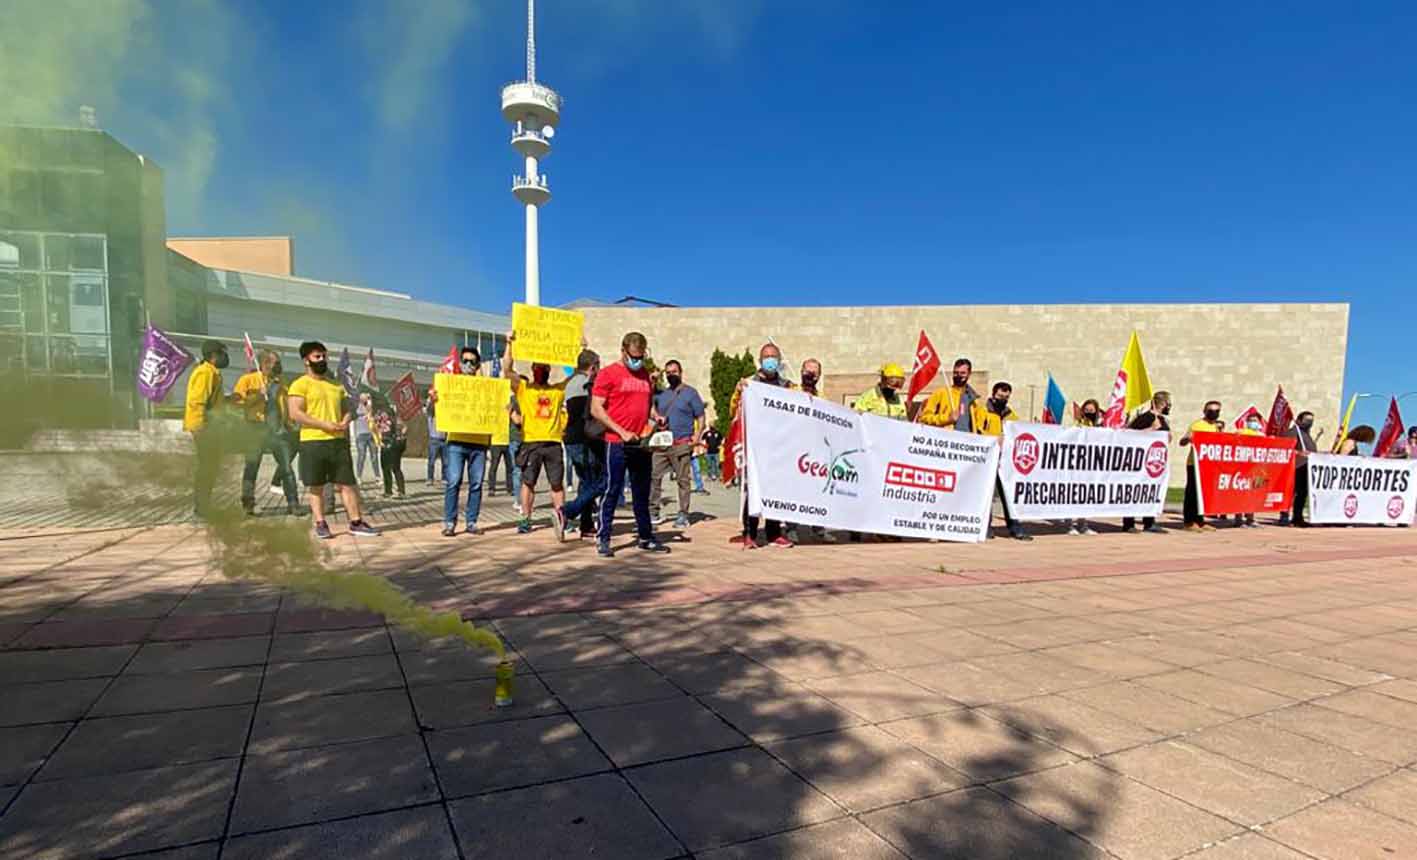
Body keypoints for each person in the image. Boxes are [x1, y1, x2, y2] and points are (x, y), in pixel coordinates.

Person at [286, 341, 379, 539]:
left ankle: (356, 522)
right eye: (317, 357)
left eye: (324, 356)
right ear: (306, 361)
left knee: (348, 483)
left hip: (338, 442)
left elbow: (348, 409)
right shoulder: (299, 384)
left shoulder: (336, 385)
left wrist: (345, 420)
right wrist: (324, 425)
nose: (322, 360)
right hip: (313, 442)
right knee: (316, 485)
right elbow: (295, 413)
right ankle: (320, 523)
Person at [589, 332, 670, 556]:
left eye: (641, 356)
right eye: (633, 356)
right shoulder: (607, 374)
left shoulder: (645, 375)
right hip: (616, 443)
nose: (637, 360)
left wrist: (656, 416)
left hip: (640, 443)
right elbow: (596, 409)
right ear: (623, 351)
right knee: (612, 490)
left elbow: (645, 404)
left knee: (642, 492)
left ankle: (646, 536)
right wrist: (621, 431)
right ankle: (603, 538)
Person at [503, 333, 570, 538]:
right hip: (531, 443)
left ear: (549, 371)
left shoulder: (558, 391)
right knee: (528, 482)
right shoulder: (524, 389)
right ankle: (525, 518)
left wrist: (578, 348)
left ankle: (561, 517)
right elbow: (507, 370)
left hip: (553, 444)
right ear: (532, 370)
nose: (540, 371)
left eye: (544, 368)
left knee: (557, 484)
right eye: (537, 368)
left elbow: (576, 374)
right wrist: (509, 343)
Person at [730, 342, 796, 548]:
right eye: (766, 356)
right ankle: (749, 533)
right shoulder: (749, 384)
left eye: (773, 356)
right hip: (755, 446)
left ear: (779, 360)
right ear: (760, 361)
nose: (770, 360)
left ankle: (774, 532)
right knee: (752, 489)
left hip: (779, 446)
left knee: (776, 489)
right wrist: (739, 393)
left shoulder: (789, 386)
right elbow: (734, 410)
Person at [431, 346, 490, 537]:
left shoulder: (486, 387)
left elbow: (495, 407)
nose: (468, 365)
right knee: (453, 482)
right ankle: (450, 522)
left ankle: (471, 522)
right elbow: (433, 410)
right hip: (456, 441)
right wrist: (434, 400)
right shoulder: (450, 385)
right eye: (465, 361)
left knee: (476, 484)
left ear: (478, 365)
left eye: (473, 362)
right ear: (459, 363)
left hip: (479, 443)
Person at [234, 349, 299, 516]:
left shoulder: (282, 383)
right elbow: (237, 402)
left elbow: (286, 405)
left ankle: (293, 503)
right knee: (252, 467)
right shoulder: (247, 380)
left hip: (277, 429)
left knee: (286, 467)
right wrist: (258, 396)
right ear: (264, 364)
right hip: (255, 428)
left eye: (278, 363)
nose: (277, 366)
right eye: (274, 363)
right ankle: (248, 503)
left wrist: (290, 423)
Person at [650, 359, 706, 529]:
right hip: (662, 443)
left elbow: (701, 416)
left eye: (674, 372)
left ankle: (683, 514)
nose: (670, 375)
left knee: (683, 480)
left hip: (682, 442)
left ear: (680, 373)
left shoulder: (690, 393)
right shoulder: (662, 394)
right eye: (668, 372)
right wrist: (652, 380)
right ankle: (653, 512)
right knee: (654, 476)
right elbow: (649, 405)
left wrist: (697, 437)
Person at [973, 382, 1032, 540]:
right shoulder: (983, 410)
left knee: (1008, 494)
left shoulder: (1009, 414)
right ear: (993, 394)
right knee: (987, 494)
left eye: (1006, 397)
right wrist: (993, 440)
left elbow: (1018, 431)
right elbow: (978, 431)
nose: (1003, 399)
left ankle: (1015, 527)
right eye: (1000, 396)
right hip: (988, 458)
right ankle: (986, 527)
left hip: (1006, 461)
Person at [184, 340, 231, 519]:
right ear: (214, 356)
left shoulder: (213, 373)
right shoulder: (204, 373)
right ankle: (201, 509)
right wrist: (199, 428)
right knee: (206, 468)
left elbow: (213, 401)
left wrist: (229, 400)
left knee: (210, 468)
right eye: (223, 353)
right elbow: (197, 402)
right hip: (205, 429)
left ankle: (204, 506)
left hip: (211, 428)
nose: (226, 357)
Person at [561, 349, 605, 540]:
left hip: (572, 439)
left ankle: (586, 524)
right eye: (598, 366)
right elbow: (592, 413)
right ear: (592, 366)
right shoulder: (589, 385)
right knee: (602, 481)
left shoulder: (570, 383)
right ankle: (567, 511)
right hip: (585, 440)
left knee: (586, 482)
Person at [1121, 391, 1172, 534]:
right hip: (1139, 463)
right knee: (1134, 492)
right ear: (1162, 403)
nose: (1169, 406)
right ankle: (1128, 523)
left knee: (1150, 493)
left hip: (1155, 463)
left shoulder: (1162, 419)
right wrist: (1151, 429)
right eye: (1168, 403)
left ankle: (1149, 523)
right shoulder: (1145, 417)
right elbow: (1129, 435)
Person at [1179, 401, 1226, 532]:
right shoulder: (1197, 425)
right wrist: (1188, 438)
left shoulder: (1216, 427)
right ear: (1205, 411)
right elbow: (1182, 442)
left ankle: (1200, 520)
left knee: (1204, 494)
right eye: (1211, 410)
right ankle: (1189, 522)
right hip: (1195, 464)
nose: (1214, 413)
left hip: (1209, 466)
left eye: (1217, 411)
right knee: (1192, 493)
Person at [1069, 399, 1103, 535]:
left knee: (1086, 494)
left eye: (1092, 411)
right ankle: (1070, 524)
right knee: (1073, 494)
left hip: (1091, 465)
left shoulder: (1098, 425)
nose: (1089, 413)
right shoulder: (1077, 423)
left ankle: (1083, 523)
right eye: (1086, 410)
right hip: (1076, 464)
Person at [917, 358, 980, 431]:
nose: (958, 376)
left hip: (967, 440)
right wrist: (947, 419)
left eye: (963, 373)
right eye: (956, 373)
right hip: (947, 439)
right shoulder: (941, 393)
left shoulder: (973, 398)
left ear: (969, 374)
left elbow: (981, 424)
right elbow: (924, 418)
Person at [1283, 411, 1319, 527]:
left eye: (1311, 420)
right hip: (1296, 467)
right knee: (1291, 493)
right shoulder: (1293, 432)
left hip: (1306, 468)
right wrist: (1299, 453)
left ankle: (1297, 517)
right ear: (1299, 420)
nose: (1310, 423)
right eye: (1307, 420)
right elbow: (1285, 448)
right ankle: (1284, 516)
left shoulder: (1306, 434)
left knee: (1302, 493)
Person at [1235, 412, 1267, 527]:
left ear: (1259, 422)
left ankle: (1250, 518)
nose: (1252, 422)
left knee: (1254, 493)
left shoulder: (1262, 435)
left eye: (1255, 420)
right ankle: (1238, 518)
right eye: (1250, 420)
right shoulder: (1240, 432)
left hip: (1257, 468)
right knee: (1240, 493)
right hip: (1243, 468)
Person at [375, 400, 407, 498]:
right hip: (390, 443)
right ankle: (393, 491)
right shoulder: (393, 415)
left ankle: (395, 491)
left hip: (390, 443)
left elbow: (377, 427)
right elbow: (405, 428)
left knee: (391, 468)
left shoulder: (382, 413)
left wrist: (398, 435)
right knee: (390, 467)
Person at [353, 392, 380, 482]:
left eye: (367, 398)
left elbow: (374, 415)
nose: (366, 399)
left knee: (374, 456)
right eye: (364, 398)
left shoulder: (371, 406)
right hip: (361, 435)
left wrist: (370, 403)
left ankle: (377, 476)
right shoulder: (357, 407)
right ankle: (359, 476)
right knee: (361, 456)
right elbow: (355, 414)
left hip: (371, 434)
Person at [426, 398, 446, 486]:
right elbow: (429, 407)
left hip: (445, 439)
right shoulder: (432, 415)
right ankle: (430, 478)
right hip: (434, 439)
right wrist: (433, 399)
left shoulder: (445, 415)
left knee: (446, 461)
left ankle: (444, 478)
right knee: (431, 461)